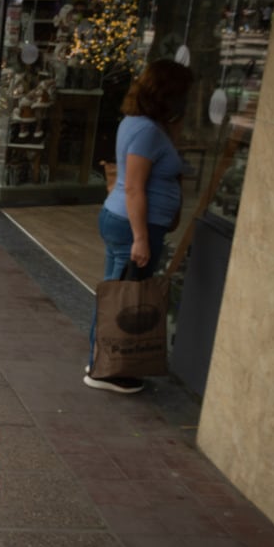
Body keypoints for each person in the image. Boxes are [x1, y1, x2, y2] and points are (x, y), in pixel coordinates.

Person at [84, 59, 192, 395]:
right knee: (120, 295)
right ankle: (103, 368)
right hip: (132, 225)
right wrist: (142, 238)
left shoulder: (141, 123)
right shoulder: (145, 130)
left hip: (127, 222)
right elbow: (133, 186)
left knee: (117, 290)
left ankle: (102, 361)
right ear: (168, 94)